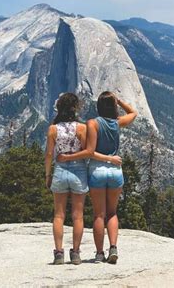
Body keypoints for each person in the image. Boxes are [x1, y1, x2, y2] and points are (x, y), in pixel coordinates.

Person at [57, 91, 137, 264]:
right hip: (115, 171)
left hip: (96, 172)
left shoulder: (92, 123)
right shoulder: (117, 123)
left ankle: (100, 253)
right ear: (113, 106)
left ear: (98, 106)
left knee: (99, 215)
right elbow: (134, 113)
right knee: (112, 213)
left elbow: (90, 152)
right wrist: (120, 101)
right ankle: (113, 247)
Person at [44, 93, 88, 265]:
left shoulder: (53, 129)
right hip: (79, 171)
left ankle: (59, 253)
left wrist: (48, 175)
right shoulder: (82, 128)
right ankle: (76, 253)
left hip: (60, 170)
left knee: (59, 215)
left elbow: (49, 154)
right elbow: (86, 151)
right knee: (78, 216)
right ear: (75, 108)